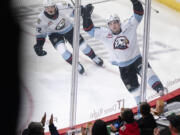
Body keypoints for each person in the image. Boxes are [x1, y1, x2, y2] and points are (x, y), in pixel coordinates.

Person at [81, 0, 166, 104]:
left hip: (137, 60)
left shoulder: (128, 26)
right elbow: (88, 29)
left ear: (119, 22)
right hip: (124, 69)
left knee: (151, 77)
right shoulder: (104, 34)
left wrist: (135, 2)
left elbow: (138, 14)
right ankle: (142, 110)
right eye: (111, 23)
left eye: (115, 22)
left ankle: (164, 96)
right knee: (137, 95)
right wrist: (86, 16)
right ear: (108, 25)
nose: (114, 25)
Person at [34, 0, 104, 75]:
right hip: (54, 34)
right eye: (47, 8)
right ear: (44, 8)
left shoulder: (62, 6)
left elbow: (75, 12)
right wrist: (39, 45)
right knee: (62, 50)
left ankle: (94, 57)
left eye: (51, 7)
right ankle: (76, 65)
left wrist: (83, 10)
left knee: (83, 46)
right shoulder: (41, 19)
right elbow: (41, 34)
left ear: (55, 6)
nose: (50, 10)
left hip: (68, 29)